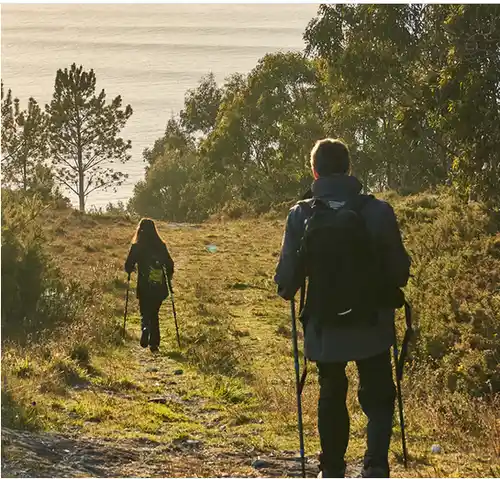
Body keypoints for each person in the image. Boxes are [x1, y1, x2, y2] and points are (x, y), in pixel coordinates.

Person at [274, 138, 411, 478]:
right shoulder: (378, 211)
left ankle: (332, 469)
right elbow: (399, 273)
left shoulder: (301, 215)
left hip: (324, 327)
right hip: (373, 323)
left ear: (314, 171)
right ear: (349, 169)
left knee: (331, 391)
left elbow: (285, 284)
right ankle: (375, 466)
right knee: (378, 392)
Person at [125, 218, 174, 353]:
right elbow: (170, 264)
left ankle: (145, 328)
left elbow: (128, 265)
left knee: (145, 311)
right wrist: (168, 278)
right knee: (154, 312)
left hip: (144, 284)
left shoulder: (137, 246)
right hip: (159, 286)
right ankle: (154, 343)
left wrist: (131, 270)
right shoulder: (161, 245)